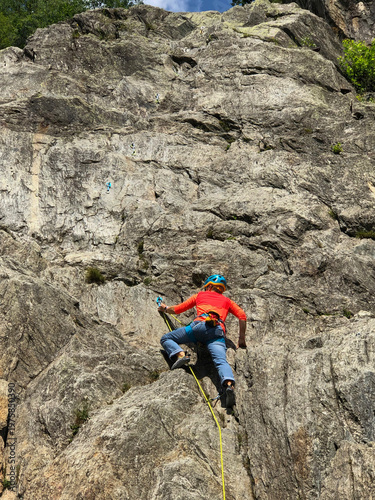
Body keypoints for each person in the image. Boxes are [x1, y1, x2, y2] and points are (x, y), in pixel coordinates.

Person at [158, 274, 247, 407]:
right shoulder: (227, 301)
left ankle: (180, 354)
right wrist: (241, 340)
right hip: (216, 332)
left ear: (209, 286)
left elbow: (177, 310)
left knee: (166, 338)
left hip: (199, 327)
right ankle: (229, 385)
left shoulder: (200, 295)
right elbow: (242, 316)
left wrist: (164, 308)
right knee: (221, 361)